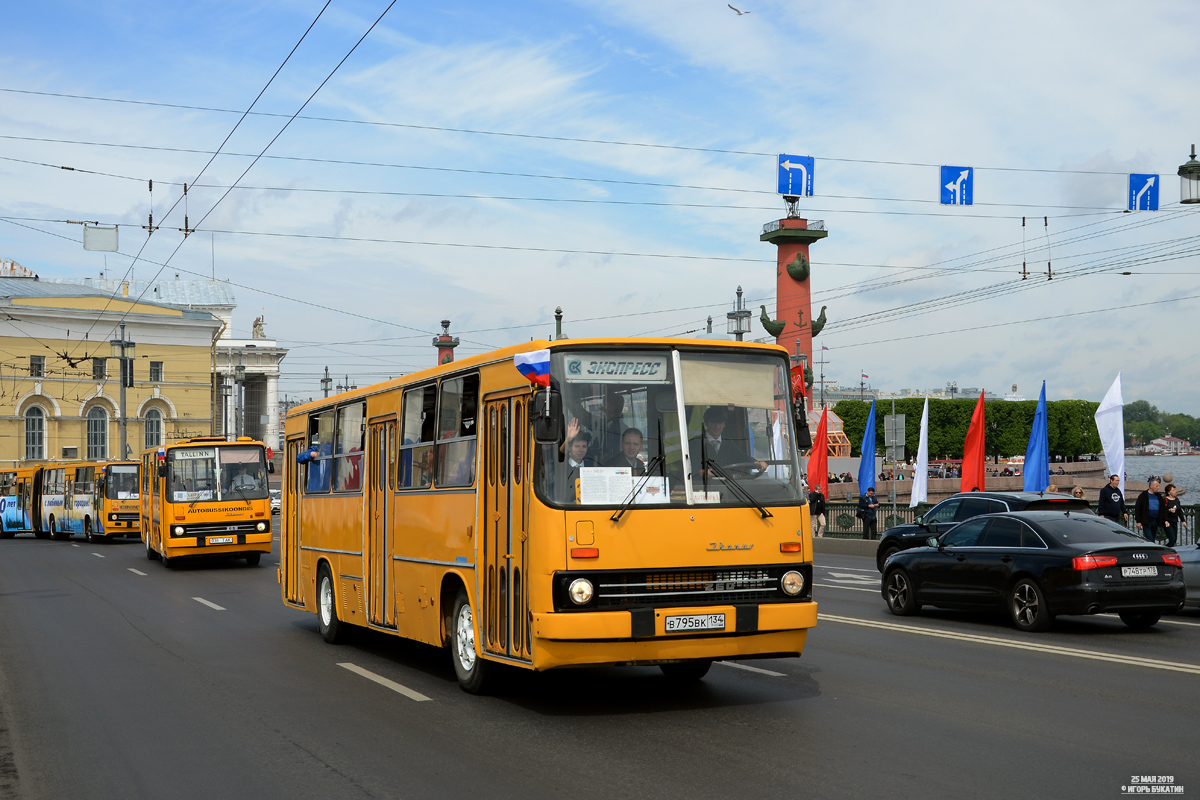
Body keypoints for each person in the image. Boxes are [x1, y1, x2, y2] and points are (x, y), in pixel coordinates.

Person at [692, 406, 766, 475]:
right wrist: (701, 472)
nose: (717, 426)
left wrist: (757, 463)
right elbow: (688, 468)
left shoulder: (728, 444)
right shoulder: (695, 443)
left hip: (728, 486)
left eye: (720, 422)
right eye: (713, 422)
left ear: (724, 424)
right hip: (703, 486)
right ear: (706, 424)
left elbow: (742, 457)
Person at [1133, 477, 1165, 543]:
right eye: (1157, 486)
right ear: (1151, 486)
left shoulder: (1159, 496)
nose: (1158, 488)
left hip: (1156, 520)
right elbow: (1138, 508)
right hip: (1147, 520)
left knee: (1153, 538)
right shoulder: (1143, 495)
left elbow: (1163, 508)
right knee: (1149, 539)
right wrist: (1138, 521)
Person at [1162, 483, 1185, 548]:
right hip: (1167, 522)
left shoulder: (1176, 500)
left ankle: (1166, 550)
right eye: (1173, 490)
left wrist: (1183, 520)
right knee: (1171, 539)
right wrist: (1169, 511)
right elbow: (1162, 511)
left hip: (1175, 521)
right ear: (1169, 492)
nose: (1175, 491)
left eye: (1175, 489)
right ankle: (1163, 550)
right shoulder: (1165, 500)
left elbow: (1179, 510)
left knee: (1174, 540)